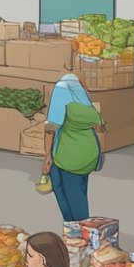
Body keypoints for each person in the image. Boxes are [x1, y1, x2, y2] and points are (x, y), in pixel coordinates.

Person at [42, 74, 103, 223]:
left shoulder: (61, 94)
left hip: (68, 157)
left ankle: (78, 231)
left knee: (64, 192)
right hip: (88, 155)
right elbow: (99, 125)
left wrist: (47, 157)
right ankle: (78, 228)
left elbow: (51, 129)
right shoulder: (84, 102)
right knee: (78, 193)